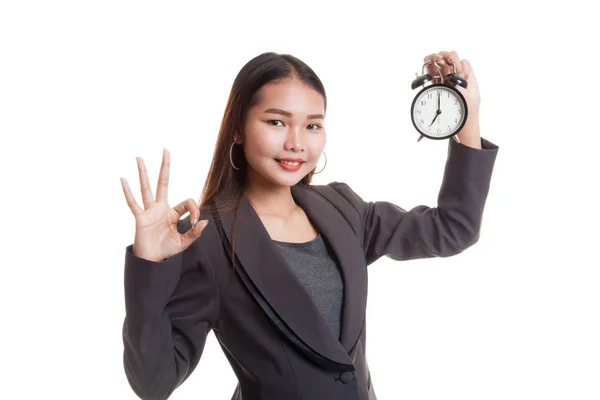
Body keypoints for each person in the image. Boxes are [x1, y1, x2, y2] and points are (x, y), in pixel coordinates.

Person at [120, 50, 499, 400]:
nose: (296, 143)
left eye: (312, 126)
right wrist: (148, 265)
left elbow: (454, 229)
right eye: (276, 122)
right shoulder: (205, 239)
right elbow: (153, 382)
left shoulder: (343, 208)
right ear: (238, 128)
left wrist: (467, 118)